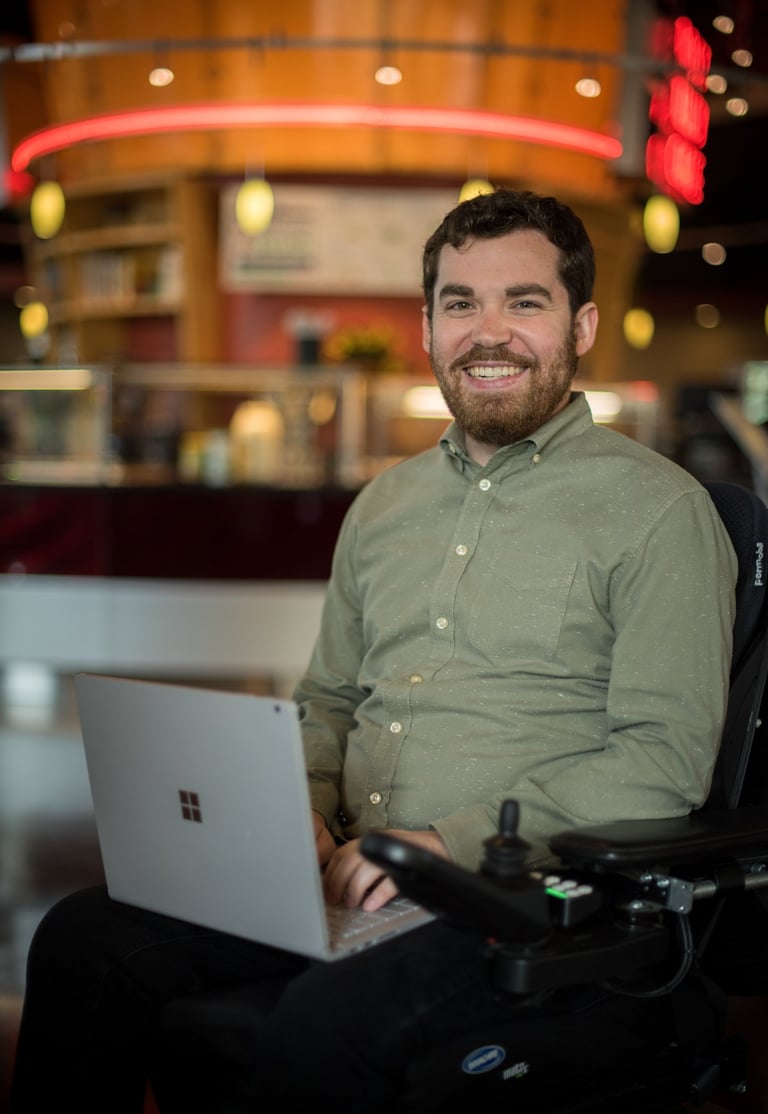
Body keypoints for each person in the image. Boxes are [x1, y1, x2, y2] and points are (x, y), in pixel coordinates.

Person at [9, 188, 737, 1113]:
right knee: (82, 938)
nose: (490, 332)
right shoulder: (384, 508)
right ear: (427, 329)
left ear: (581, 324)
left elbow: (663, 760)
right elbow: (328, 701)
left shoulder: (661, 513)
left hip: (525, 906)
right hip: (344, 881)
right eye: (461, 303)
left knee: (317, 1026)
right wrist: (295, 811)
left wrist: (446, 843)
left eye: (525, 302)